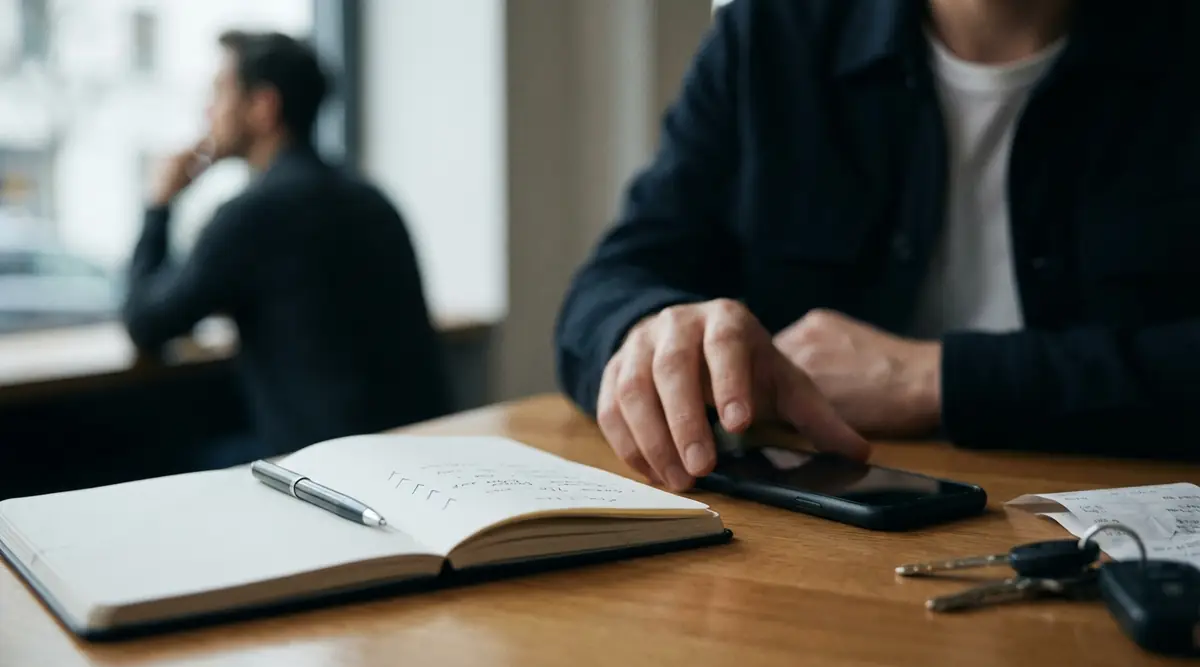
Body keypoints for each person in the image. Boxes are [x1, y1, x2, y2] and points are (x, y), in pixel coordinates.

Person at [555, 0, 1200, 493]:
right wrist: (651, 333)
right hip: (812, 539)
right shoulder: (773, 34)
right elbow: (618, 276)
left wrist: (936, 378)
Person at [124, 31, 451, 463]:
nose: (208, 110)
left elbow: (146, 322)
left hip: (319, 471)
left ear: (263, 107)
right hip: (413, 455)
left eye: (220, 92)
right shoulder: (371, 197)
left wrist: (159, 204)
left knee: (147, 461)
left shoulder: (253, 213)